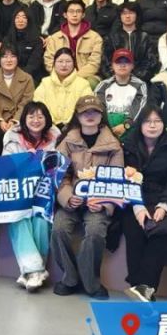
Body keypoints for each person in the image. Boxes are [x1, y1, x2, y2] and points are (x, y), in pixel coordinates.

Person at [51, 94, 124, 297]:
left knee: (94, 232)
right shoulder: (66, 142)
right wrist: (67, 197)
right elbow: (59, 176)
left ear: (101, 115)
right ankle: (70, 278)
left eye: (94, 112)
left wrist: (103, 202)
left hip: (98, 202)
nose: (90, 116)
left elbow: (116, 179)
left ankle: (91, 283)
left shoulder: (113, 145)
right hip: (73, 200)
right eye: (85, 112)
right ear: (78, 115)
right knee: (58, 229)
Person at [120, 104, 167, 302]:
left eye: (157, 121)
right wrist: (138, 207)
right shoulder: (127, 145)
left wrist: (164, 205)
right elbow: (124, 179)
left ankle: (141, 287)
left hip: (165, 199)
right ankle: (143, 291)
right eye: (148, 121)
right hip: (134, 198)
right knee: (134, 230)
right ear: (140, 123)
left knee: (163, 233)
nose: (153, 125)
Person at [3, 102, 60, 291]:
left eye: (40, 116)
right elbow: (5, 169)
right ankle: (36, 270)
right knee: (17, 218)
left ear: (47, 119)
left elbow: (60, 168)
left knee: (41, 220)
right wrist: (22, 161)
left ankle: (30, 272)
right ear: (24, 119)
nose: (36, 120)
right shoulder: (13, 139)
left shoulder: (56, 139)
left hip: (44, 194)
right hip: (19, 195)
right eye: (31, 116)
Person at [0, 47, 35, 151]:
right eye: (5, 57)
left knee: (20, 136)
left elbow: (26, 103)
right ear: (0, 59)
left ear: (18, 59)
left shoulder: (27, 78)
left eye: (13, 56)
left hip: (20, 120)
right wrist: (0, 121)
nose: (9, 60)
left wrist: (15, 120)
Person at [43, 0, 103, 87]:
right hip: (61, 76)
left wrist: (73, 78)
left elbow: (94, 64)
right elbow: (49, 61)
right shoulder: (55, 38)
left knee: (91, 82)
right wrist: (62, 76)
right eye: (71, 11)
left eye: (78, 11)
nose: (75, 15)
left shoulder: (95, 38)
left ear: (83, 15)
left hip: (85, 77)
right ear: (65, 15)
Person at [95, 48, 149, 140]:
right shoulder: (103, 85)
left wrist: (126, 125)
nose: (122, 65)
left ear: (132, 66)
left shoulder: (140, 85)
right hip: (106, 130)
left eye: (127, 62)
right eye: (118, 62)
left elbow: (139, 109)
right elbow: (99, 109)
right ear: (112, 65)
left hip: (131, 130)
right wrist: (108, 128)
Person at [34, 48, 93, 128]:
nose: (64, 65)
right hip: (48, 127)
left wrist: (70, 124)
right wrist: (51, 123)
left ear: (74, 64)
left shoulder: (83, 84)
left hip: (75, 127)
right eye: (60, 61)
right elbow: (38, 105)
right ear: (54, 63)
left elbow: (86, 107)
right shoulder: (45, 83)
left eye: (68, 61)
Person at [100, 2, 159, 81]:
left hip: (141, 80)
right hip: (116, 80)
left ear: (137, 15)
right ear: (120, 16)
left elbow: (151, 61)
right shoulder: (110, 38)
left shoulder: (145, 38)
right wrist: (118, 77)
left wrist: (136, 78)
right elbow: (105, 63)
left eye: (131, 13)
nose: (127, 16)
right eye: (124, 13)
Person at [1, 6, 45, 85]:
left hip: (30, 77)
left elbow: (34, 63)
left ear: (29, 20)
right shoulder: (7, 40)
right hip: (9, 75)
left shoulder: (37, 40)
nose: (20, 20)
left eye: (24, 17)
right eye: (17, 17)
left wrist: (19, 77)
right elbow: (2, 59)